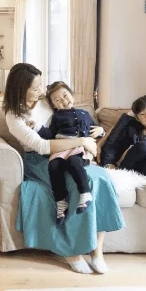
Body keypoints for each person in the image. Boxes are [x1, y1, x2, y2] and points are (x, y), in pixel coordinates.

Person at [3, 63, 125, 274]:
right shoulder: (14, 116)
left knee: (99, 178)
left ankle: (97, 251)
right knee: (73, 185)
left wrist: (97, 131)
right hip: (41, 159)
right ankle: (71, 251)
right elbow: (42, 146)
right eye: (35, 88)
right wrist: (82, 141)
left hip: (73, 153)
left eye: (40, 85)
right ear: (21, 90)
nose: (41, 91)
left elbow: (74, 119)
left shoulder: (48, 102)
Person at [35, 81, 105, 225]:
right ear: (54, 105)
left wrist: (101, 130)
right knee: (53, 166)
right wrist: (37, 128)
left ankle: (85, 194)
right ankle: (61, 202)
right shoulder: (56, 117)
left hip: (79, 147)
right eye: (57, 100)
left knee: (74, 161)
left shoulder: (85, 114)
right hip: (62, 148)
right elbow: (50, 134)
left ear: (72, 95)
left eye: (65, 95)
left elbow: (95, 131)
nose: (63, 101)